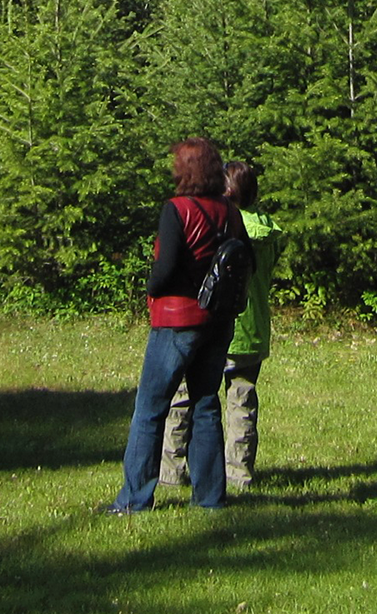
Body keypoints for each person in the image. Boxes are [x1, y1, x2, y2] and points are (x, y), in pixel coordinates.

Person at [109, 138, 247, 514]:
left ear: (183, 171)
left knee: (151, 407)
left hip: (177, 320)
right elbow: (243, 260)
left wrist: (150, 287)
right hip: (217, 321)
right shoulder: (231, 213)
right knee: (206, 404)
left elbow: (166, 268)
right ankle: (210, 498)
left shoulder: (176, 209)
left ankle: (134, 498)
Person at [159, 160, 283, 494]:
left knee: (185, 397)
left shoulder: (221, 224)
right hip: (252, 330)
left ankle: (172, 467)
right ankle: (238, 473)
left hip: (215, 326)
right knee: (242, 403)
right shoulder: (270, 232)